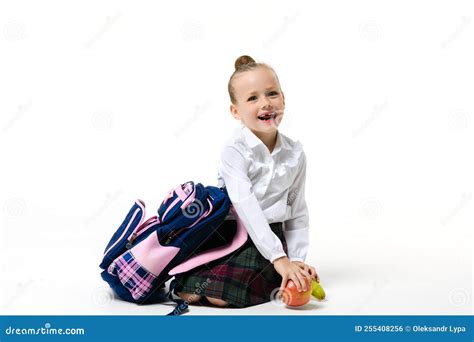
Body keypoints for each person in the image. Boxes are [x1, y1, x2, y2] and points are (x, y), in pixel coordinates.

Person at [174, 55, 319, 308]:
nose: (265, 104)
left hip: (269, 235)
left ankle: (262, 275)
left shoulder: (295, 154)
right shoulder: (236, 149)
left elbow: (297, 210)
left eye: (272, 94)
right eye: (252, 98)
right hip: (233, 232)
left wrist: (293, 259)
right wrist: (279, 258)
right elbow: (245, 205)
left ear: (283, 99)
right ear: (235, 111)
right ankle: (198, 281)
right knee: (190, 293)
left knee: (221, 297)